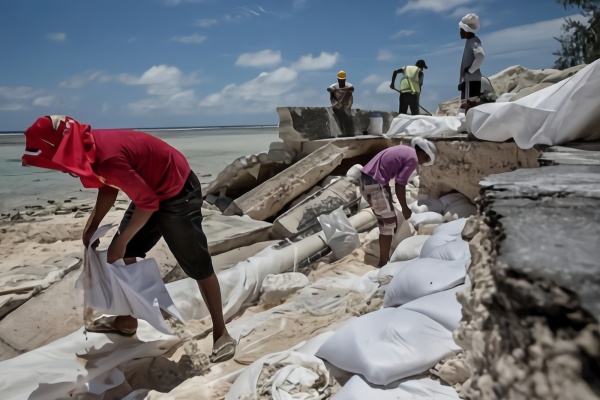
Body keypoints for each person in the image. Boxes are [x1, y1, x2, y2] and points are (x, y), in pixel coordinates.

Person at [21, 115, 236, 363]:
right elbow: (108, 187)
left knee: (197, 264)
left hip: (178, 191)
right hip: (150, 188)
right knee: (121, 255)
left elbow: (147, 204)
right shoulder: (87, 146)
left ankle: (222, 333)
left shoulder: (107, 158)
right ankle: (128, 319)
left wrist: (121, 240)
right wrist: (92, 225)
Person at [359, 137, 436, 267]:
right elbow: (400, 184)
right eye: (426, 159)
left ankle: (385, 257)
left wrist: (388, 196)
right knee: (387, 223)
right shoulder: (413, 158)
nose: (422, 163)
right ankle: (383, 263)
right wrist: (405, 208)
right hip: (374, 183)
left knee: (387, 219)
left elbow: (386, 171)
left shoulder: (406, 151)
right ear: (423, 152)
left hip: (368, 180)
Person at [458, 13, 485, 113]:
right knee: (467, 106)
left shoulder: (474, 41)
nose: (460, 32)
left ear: (467, 30)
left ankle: (471, 126)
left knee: (470, 107)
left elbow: (480, 56)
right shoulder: (470, 41)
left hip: (471, 80)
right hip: (468, 80)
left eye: (461, 30)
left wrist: (470, 70)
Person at [327, 70, 355, 136]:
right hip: (337, 104)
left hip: (346, 104)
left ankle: (349, 132)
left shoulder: (349, 86)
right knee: (340, 118)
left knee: (347, 119)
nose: (341, 81)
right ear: (338, 79)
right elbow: (329, 89)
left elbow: (351, 89)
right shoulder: (334, 86)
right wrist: (337, 102)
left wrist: (342, 101)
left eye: (342, 80)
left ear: (345, 79)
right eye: (340, 80)